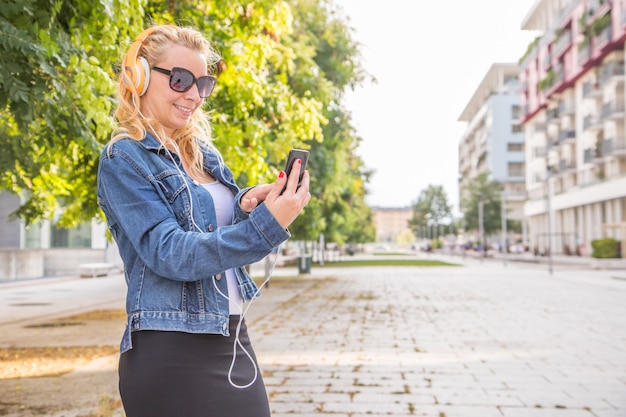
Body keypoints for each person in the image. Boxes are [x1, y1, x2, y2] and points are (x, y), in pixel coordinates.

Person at [97, 24, 310, 417]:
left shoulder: (204, 155)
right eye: (180, 80)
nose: (193, 95)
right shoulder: (123, 158)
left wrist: (248, 206)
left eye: (203, 83)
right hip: (170, 348)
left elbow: (214, 240)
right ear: (139, 76)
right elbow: (171, 253)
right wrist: (264, 228)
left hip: (229, 336)